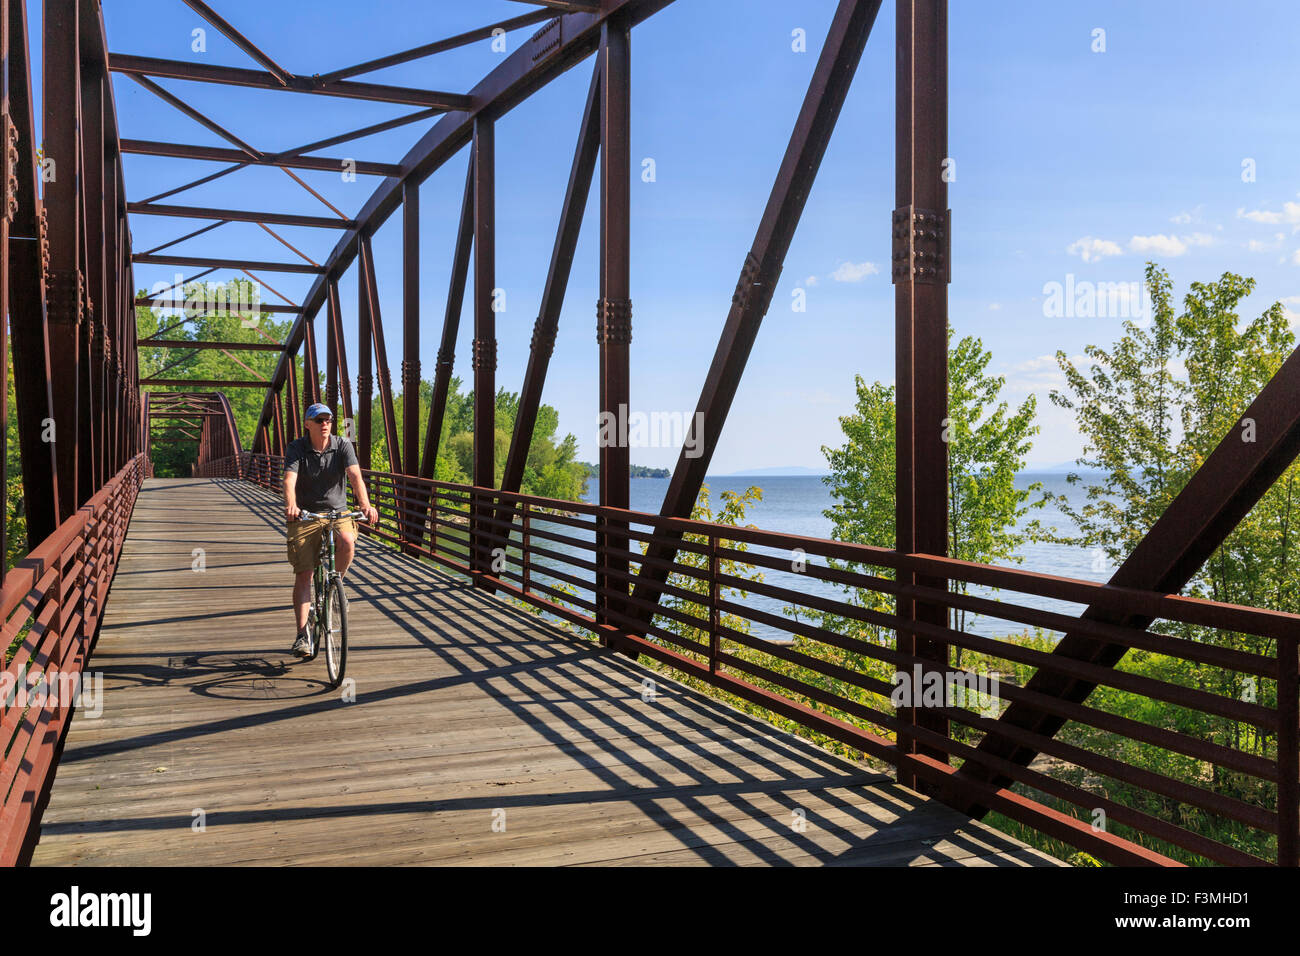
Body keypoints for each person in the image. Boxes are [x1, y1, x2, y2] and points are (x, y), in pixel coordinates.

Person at [283, 403, 379, 657]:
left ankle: (336, 586)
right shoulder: (297, 448)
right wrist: (291, 505)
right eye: (319, 420)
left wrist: (365, 505)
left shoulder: (343, 444)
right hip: (306, 514)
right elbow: (289, 480)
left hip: (338, 512)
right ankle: (302, 635)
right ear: (308, 424)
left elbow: (355, 476)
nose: (325, 424)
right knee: (304, 573)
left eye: (328, 420)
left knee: (347, 540)